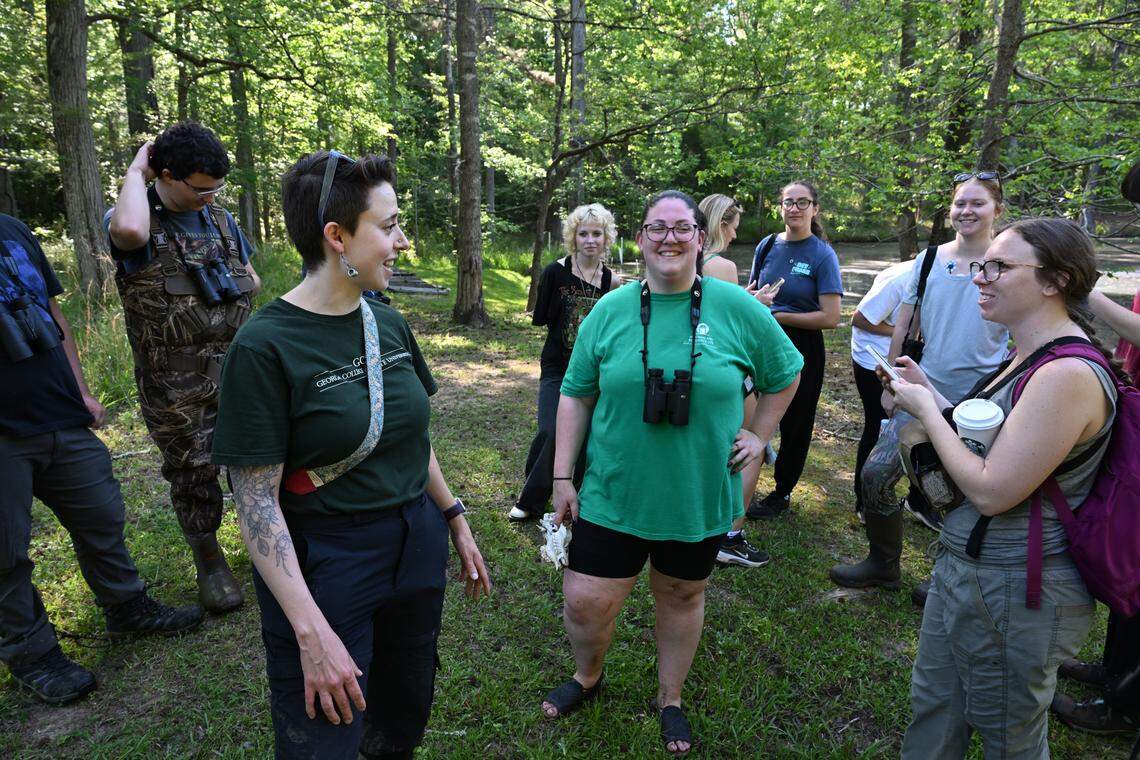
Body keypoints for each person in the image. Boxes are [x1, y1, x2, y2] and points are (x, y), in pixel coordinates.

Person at [211, 151, 491, 760]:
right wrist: (309, 632)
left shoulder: (385, 320)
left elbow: (409, 437)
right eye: (388, 227)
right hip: (327, 561)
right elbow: (254, 501)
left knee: (402, 708)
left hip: (414, 542)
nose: (402, 240)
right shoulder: (264, 347)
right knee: (325, 736)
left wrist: (454, 518)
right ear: (336, 237)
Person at [540, 190, 802, 755]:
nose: (670, 239)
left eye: (682, 228)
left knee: (682, 594)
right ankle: (589, 675)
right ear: (640, 238)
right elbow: (575, 394)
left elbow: (787, 372)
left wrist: (761, 434)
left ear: (700, 238)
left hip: (696, 491)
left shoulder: (736, 308)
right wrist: (562, 478)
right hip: (614, 489)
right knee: (586, 601)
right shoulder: (609, 310)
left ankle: (670, 697)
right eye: (657, 228)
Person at [890, 218, 1117, 758]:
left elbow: (993, 491)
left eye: (999, 267)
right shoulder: (1027, 353)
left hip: (1017, 586)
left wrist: (926, 412)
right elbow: (998, 445)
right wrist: (936, 399)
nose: (980, 278)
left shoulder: (1065, 375)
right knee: (936, 707)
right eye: (981, 265)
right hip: (970, 568)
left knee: (1006, 735)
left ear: (1055, 281)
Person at [1, 213, 204, 706]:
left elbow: (51, 311)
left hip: (58, 412)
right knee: (4, 555)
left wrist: (82, 391)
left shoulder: (12, 229)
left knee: (102, 517)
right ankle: (32, 654)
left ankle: (126, 607)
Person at [106, 121, 261, 614]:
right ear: (165, 175)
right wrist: (135, 168)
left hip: (237, 370)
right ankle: (211, 562)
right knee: (193, 472)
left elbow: (251, 277)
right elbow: (128, 232)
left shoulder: (219, 219)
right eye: (200, 188)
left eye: (217, 188)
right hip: (175, 382)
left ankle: (266, 548)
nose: (210, 197)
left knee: (256, 459)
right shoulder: (135, 219)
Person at [830, 172, 1009, 592]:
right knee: (875, 476)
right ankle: (882, 564)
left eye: (977, 203)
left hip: (980, 402)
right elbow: (905, 321)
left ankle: (948, 578)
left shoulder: (1007, 263)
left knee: (956, 493)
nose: (966, 211)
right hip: (919, 390)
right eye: (960, 203)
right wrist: (892, 382)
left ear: (997, 210)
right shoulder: (929, 260)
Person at [509, 203, 620, 522]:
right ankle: (531, 499)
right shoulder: (554, 272)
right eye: (583, 233)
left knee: (585, 434)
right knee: (550, 428)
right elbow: (544, 319)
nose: (590, 240)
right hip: (558, 367)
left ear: (606, 238)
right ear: (573, 237)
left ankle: (576, 493)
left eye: (596, 234)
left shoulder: (610, 280)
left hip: (592, 369)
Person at [745, 181, 842, 517]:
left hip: (802, 347)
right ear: (780, 207)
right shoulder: (767, 244)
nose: (795, 208)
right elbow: (753, 290)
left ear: (814, 209)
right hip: (761, 344)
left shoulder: (822, 255)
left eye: (803, 202)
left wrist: (779, 314)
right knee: (749, 413)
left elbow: (831, 316)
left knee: (796, 422)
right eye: (789, 202)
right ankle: (741, 481)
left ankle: (781, 493)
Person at [697, 193, 770, 568]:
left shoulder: (682, 261)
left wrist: (746, 299)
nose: (735, 236)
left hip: (690, 368)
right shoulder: (721, 265)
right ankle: (731, 533)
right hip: (726, 369)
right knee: (749, 443)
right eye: (734, 227)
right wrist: (758, 308)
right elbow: (734, 329)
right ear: (721, 224)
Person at [849, 260, 913, 524]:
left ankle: (918, 500)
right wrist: (906, 330)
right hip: (872, 359)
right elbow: (860, 318)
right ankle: (865, 501)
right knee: (879, 426)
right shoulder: (901, 279)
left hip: (904, 357)